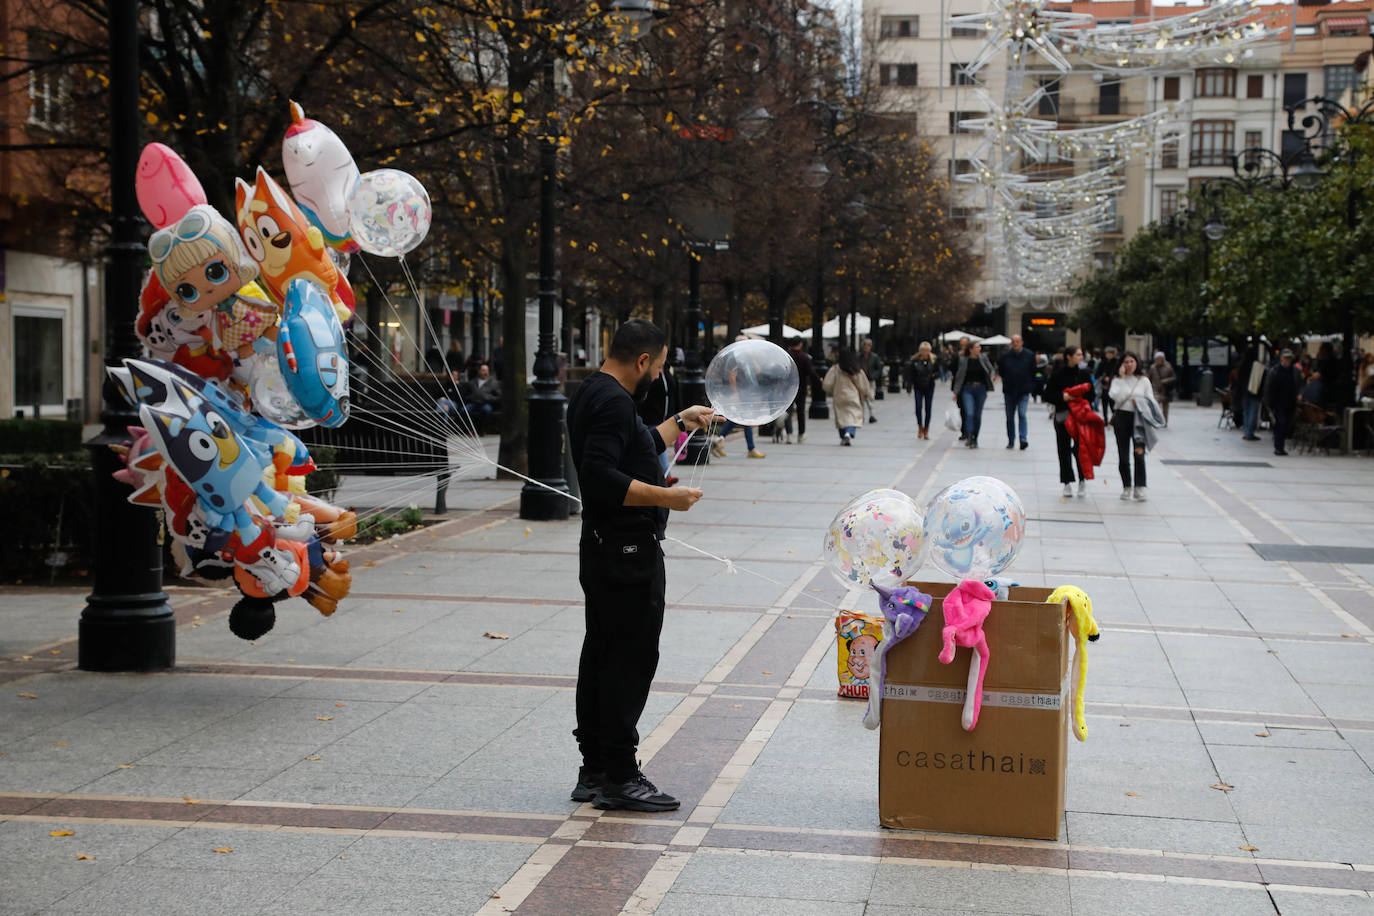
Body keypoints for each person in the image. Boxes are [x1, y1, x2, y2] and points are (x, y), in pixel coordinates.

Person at [565, 319, 715, 811]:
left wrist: (680, 420)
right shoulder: (613, 401)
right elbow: (600, 475)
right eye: (661, 364)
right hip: (627, 553)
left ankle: (595, 768)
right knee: (629, 660)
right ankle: (620, 775)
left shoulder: (595, 391)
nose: (661, 374)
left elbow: (635, 446)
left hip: (606, 547)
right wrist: (667, 498)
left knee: (603, 654)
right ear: (644, 361)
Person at [1108, 352, 1159, 501]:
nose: (1129, 364)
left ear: (1137, 362)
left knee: (1139, 453)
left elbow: (1150, 400)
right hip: (1122, 418)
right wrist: (1122, 379)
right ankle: (1126, 486)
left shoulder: (1144, 380)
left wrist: (1139, 402)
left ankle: (1140, 487)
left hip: (1139, 420)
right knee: (1123, 455)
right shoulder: (1117, 380)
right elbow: (1114, 397)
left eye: (1132, 361)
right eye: (1126, 362)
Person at [1044, 346, 1092, 497]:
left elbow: (1092, 394)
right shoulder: (1058, 375)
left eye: (1081, 354)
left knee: (1080, 450)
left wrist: (1081, 399)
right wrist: (1062, 397)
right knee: (1063, 449)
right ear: (1068, 357)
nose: (1081, 357)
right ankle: (1067, 482)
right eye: (1078, 355)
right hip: (1063, 416)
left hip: (1080, 417)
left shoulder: (1084, 373)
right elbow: (1047, 395)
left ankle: (1082, 480)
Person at [823, 347, 871, 445]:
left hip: (839, 396)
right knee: (853, 416)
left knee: (841, 417)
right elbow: (863, 385)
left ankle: (843, 435)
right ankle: (849, 433)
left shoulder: (836, 369)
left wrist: (829, 390)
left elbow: (827, 384)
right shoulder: (856, 369)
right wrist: (866, 393)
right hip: (853, 396)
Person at [952, 340, 996, 448]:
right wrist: (956, 392)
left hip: (981, 389)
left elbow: (991, 369)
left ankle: (975, 438)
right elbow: (959, 376)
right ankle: (970, 436)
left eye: (979, 347)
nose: (979, 349)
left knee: (978, 415)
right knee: (969, 413)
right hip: (967, 389)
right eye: (976, 347)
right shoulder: (963, 360)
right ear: (971, 349)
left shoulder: (983, 358)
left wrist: (992, 377)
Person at [997, 334, 1036, 450]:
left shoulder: (1029, 355)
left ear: (1022, 342)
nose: (1015, 343)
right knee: (1010, 417)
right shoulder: (1005, 356)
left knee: (1022, 414)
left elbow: (1033, 371)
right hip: (1009, 391)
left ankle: (1023, 438)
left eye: (1017, 341)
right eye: (1013, 341)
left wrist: (1030, 386)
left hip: (1023, 391)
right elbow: (1001, 371)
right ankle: (1011, 440)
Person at [1264, 349, 1304, 457]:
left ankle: (1280, 445)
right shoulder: (1275, 371)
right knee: (1280, 423)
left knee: (1286, 424)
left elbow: (1300, 384)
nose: (1288, 360)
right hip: (1278, 402)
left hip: (1291, 402)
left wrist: (1300, 394)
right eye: (1286, 358)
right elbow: (1268, 387)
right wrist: (1268, 403)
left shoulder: (1295, 371)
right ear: (1281, 358)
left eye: (1289, 358)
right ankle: (1279, 447)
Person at [787, 338, 820, 444]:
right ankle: (801, 435)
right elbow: (811, 372)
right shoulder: (804, 357)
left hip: (788, 388)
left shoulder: (787, 356)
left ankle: (789, 435)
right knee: (801, 412)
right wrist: (818, 380)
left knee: (789, 411)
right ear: (800, 344)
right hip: (801, 388)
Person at [906, 341, 939, 439]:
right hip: (918, 386)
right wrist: (909, 387)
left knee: (928, 408)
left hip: (929, 386)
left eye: (927, 350)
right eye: (923, 350)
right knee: (918, 407)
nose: (925, 352)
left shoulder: (933, 361)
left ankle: (926, 429)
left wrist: (933, 376)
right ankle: (920, 426)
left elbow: (938, 372)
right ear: (920, 351)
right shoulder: (914, 361)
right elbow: (910, 375)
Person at [1146, 351, 1177, 425]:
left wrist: (1166, 380)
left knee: (1165, 407)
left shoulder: (1168, 367)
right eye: (1156, 359)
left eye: (1159, 359)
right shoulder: (1152, 367)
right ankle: (1156, 420)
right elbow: (1148, 378)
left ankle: (1164, 421)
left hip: (1165, 390)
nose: (1158, 360)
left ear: (1163, 359)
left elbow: (1174, 377)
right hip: (1155, 389)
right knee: (1154, 406)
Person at [951, 336, 971, 440]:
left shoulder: (972, 355)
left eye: (965, 343)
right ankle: (964, 431)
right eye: (962, 343)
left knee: (969, 410)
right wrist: (956, 357)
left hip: (969, 385)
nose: (963, 345)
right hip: (960, 386)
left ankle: (969, 431)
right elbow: (952, 368)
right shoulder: (957, 355)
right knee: (962, 409)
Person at [861, 338, 883, 423]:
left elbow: (879, 368)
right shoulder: (859, 356)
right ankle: (861, 416)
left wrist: (874, 376)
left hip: (870, 380)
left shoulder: (874, 357)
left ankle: (871, 414)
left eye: (869, 345)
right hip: (861, 380)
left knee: (870, 397)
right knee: (861, 398)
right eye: (865, 345)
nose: (867, 347)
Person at [1097, 346, 1120, 425]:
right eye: (1107, 353)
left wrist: (1111, 378)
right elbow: (1097, 373)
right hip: (1104, 386)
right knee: (1104, 404)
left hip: (1114, 386)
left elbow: (1118, 373)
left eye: (1110, 353)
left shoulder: (1117, 362)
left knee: (1113, 404)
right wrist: (1104, 378)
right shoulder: (1102, 362)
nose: (1108, 355)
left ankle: (1114, 418)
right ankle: (1105, 419)